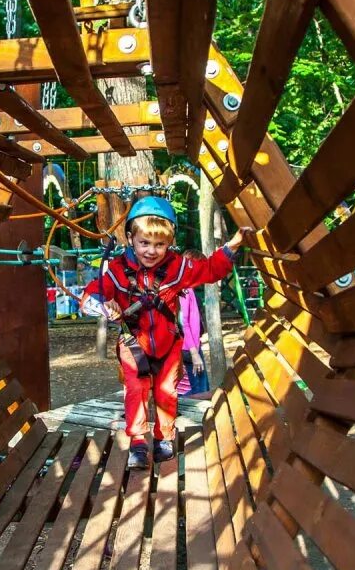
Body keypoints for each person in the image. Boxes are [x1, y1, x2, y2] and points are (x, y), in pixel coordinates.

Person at [80, 195, 248, 470]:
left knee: (166, 392)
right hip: (134, 344)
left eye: (160, 244)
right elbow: (90, 296)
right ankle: (137, 443)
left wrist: (233, 246)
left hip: (168, 346)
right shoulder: (117, 271)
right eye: (144, 243)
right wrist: (103, 304)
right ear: (131, 239)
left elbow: (209, 270)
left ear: (170, 243)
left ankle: (164, 438)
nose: (151, 251)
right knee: (135, 390)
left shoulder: (177, 267)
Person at [177, 286, 210, 397]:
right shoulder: (184, 289)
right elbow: (183, 322)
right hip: (188, 349)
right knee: (199, 392)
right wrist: (194, 353)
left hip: (192, 346)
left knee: (201, 388)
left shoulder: (187, 289)